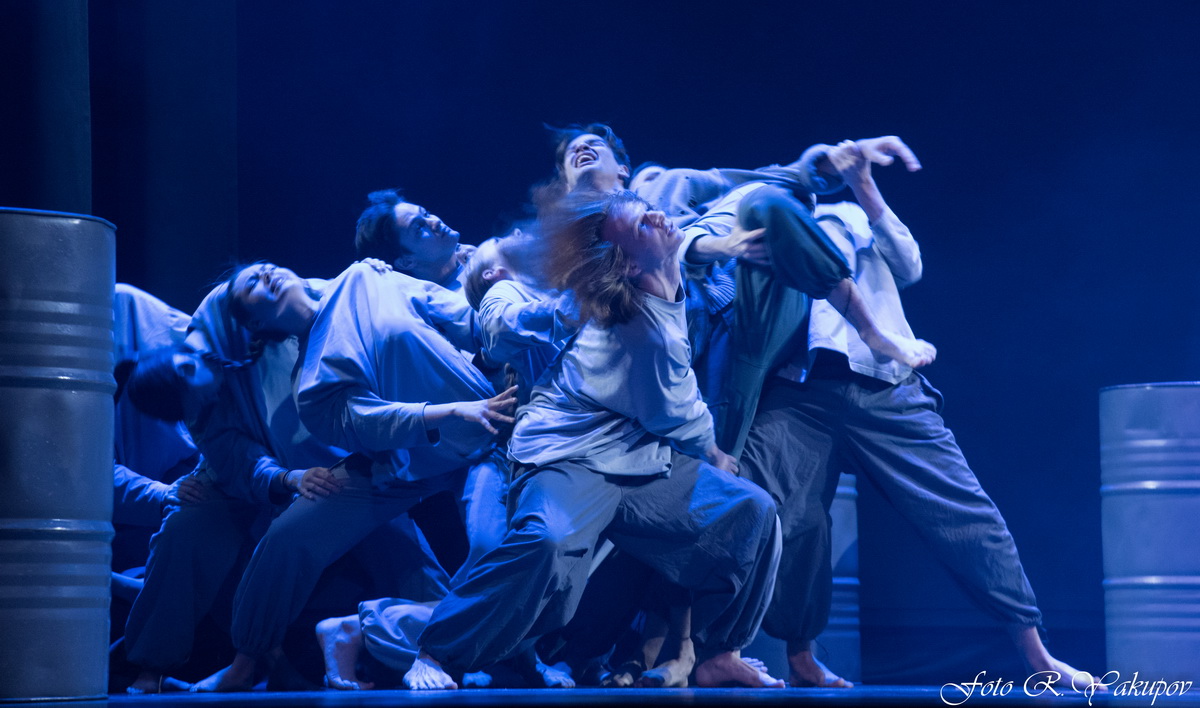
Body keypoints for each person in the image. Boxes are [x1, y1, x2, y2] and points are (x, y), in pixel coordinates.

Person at [738, 140, 1103, 689]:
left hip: (886, 383)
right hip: (799, 388)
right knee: (790, 520)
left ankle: (1037, 655)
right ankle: (799, 655)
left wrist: (864, 184)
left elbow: (909, 264)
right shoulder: (773, 215)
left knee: (961, 509)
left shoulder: (851, 214)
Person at [404, 190, 784, 691]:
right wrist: (710, 448)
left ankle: (720, 653)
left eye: (649, 210)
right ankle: (437, 651)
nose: (658, 216)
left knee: (751, 511)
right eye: (643, 223)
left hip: (638, 458)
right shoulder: (613, 313)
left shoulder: (655, 282)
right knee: (547, 541)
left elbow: (674, 392)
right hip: (568, 455)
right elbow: (671, 405)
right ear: (626, 263)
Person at [190, 261, 516, 692]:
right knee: (288, 534)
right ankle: (247, 658)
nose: (266, 273)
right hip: (405, 462)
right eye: (252, 282)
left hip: (486, 435)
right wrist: (449, 411)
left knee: (491, 551)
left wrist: (502, 334)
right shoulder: (309, 384)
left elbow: (456, 314)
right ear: (256, 323)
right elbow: (372, 422)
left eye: (266, 267)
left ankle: (433, 645)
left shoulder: (365, 277)